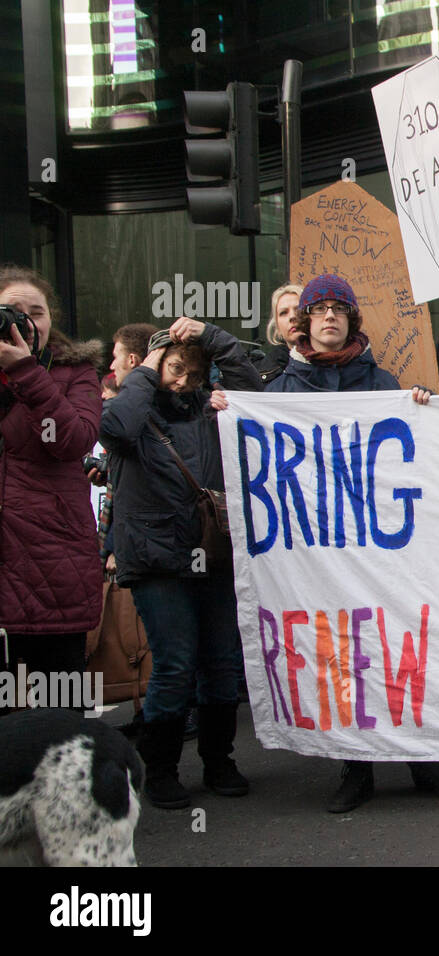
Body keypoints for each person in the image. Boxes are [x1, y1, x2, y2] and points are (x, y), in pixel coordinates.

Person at [267, 273, 439, 809]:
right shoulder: (278, 393)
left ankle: (425, 760)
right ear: (304, 322)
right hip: (322, 552)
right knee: (342, 654)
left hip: (386, 544)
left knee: (401, 645)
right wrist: (229, 411)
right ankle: (356, 769)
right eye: (319, 309)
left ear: (351, 319)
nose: (329, 316)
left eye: (339, 308)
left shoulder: (383, 383)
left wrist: (422, 407)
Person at [99, 314, 261, 808]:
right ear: (152, 364)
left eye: (192, 371)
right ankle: (162, 768)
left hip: (210, 551)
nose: (183, 380)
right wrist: (147, 370)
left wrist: (212, 339)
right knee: (174, 664)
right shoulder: (133, 413)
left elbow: (252, 388)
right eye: (174, 368)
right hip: (156, 559)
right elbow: (114, 427)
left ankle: (219, 760)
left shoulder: (212, 413)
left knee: (220, 663)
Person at [0, 265, 103, 712]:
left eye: (36, 312)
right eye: (12, 312)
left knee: (58, 714)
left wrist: (25, 371)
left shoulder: (75, 372)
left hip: (50, 561)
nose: (25, 322)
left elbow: (72, 440)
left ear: (50, 320)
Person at [252, 283, 303, 385]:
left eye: (298, 309)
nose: (292, 316)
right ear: (277, 328)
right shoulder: (262, 373)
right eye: (283, 313)